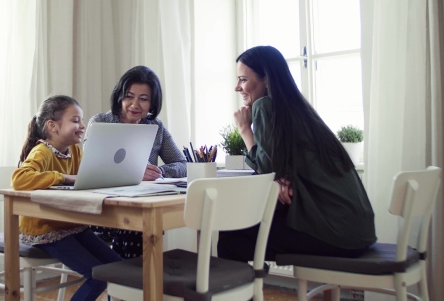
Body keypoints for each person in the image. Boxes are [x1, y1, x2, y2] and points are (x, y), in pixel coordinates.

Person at [217, 46, 376, 262]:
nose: (237, 87)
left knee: (230, 232)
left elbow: (266, 171)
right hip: (359, 231)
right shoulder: (299, 111)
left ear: (266, 79)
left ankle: (236, 295)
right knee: (244, 231)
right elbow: (279, 166)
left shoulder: (264, 106)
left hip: (337, 234)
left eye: (243, 79)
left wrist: (245, 130)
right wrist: (283, 176)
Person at [12, 95, 122, 301]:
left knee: (117, 267)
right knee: (98, 276)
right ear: (53, 126)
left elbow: (87, 176)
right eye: (75, 120)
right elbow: (19, 178)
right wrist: (63, 177)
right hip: (45, 230)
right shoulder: (41, 152)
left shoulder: (74, 151)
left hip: (71, 226)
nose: (82, 126)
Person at [85, 65, 187, 258]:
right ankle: (130, 283)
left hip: (141, 206)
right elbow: (89, 167)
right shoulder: (101, 122)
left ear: (152, 103)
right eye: (129, 96)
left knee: (143, 221)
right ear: (119, 96)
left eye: (143, 99)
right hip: (102, 209)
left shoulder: (155, 126)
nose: (135, 104)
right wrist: (133, 172)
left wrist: (161, 172)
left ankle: (131, 282)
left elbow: (182, 164)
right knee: (136, 225)